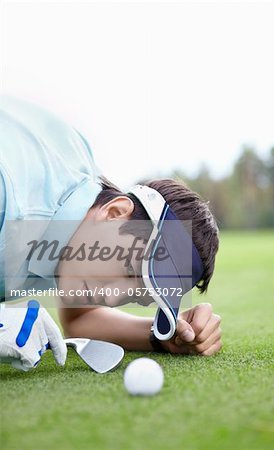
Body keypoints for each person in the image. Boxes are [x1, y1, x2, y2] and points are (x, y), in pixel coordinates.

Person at [0, 96, 222, 372]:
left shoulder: (85, 217)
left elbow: (81, 317)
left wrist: (162, 337)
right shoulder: (11, 193)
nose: (114, 296)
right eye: (130, 270)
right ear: (116, 212)